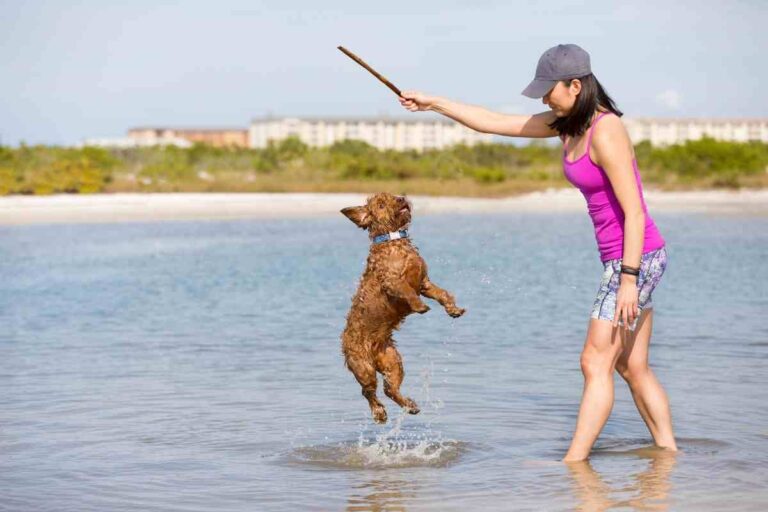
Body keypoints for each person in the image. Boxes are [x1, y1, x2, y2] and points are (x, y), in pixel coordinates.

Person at [398, 43, 677, 461]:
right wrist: (434, 102)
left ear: (576, 85)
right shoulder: (568, 124)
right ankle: (669, 458)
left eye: (549, 90)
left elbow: (635, 212)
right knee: (631, 366)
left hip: (633, 259)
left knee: (594, 362)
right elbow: (493, 123)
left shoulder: (607, 130)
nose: (544, 98)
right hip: (627, 259)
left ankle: (574, 465)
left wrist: (628, 281)